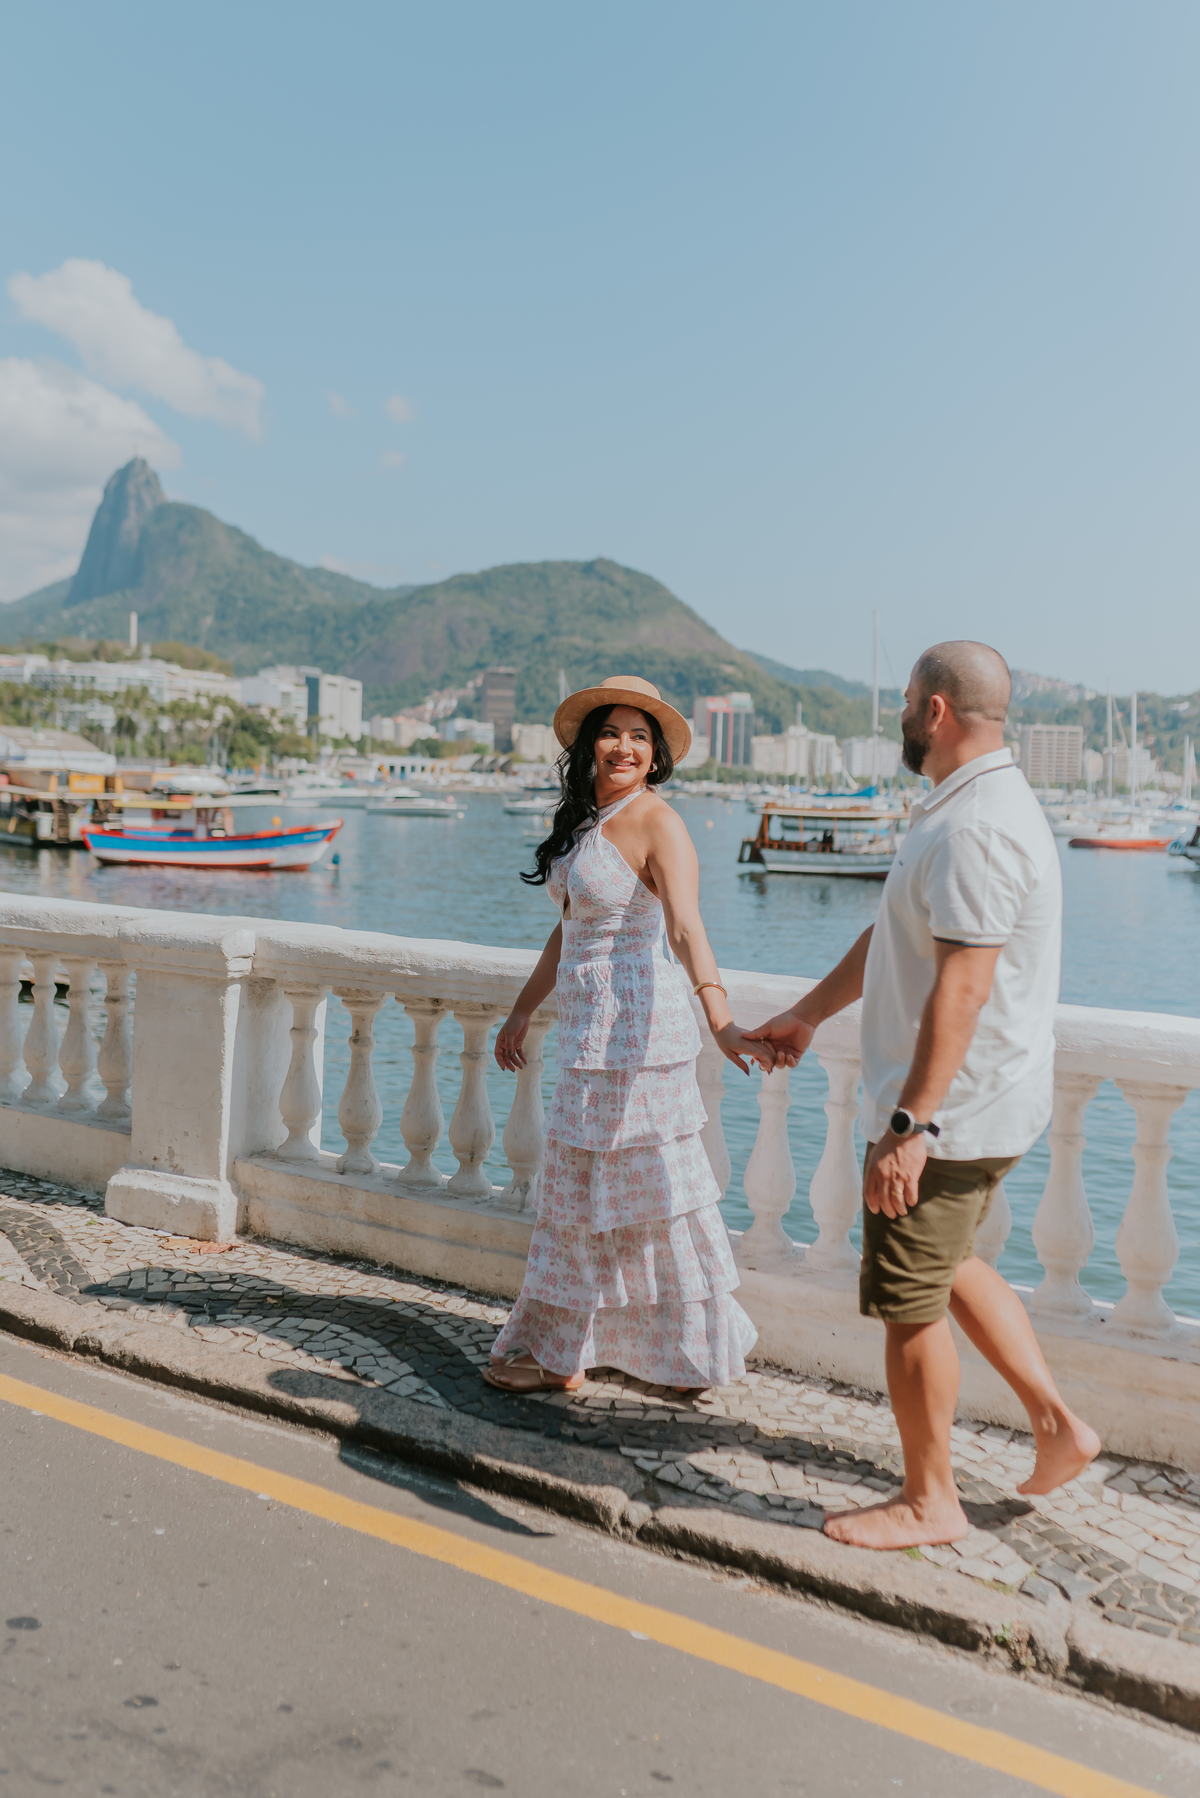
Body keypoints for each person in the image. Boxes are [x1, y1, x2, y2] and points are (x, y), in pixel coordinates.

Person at [749, 641, 1100, 1549]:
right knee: (949, 1268)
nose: (901, 717)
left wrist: (909, 1125)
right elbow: (896, 938)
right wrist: (807, 1014)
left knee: (909, 1301)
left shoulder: (977, 825)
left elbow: (963, 988)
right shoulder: (958, 808)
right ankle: (1059, 1426)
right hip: (983, 1105)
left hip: (953, 1114)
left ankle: (929, 1499)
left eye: (906, 702)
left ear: (937, 711)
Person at [484, 675, 764, 1395]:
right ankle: (582, 1348)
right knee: (585, 1197)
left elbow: (685, 926)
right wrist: (522, 1011)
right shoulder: (587, 824)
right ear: (589, 746)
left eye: (641, 736)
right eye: (612, 733)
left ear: (656, 755)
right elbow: (569, 930)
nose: (624, 746)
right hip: (587, 1035)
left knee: (653, 1193)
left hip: (641, 1036)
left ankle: (682, 1356)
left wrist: (722, 1020)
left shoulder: (656, 821)